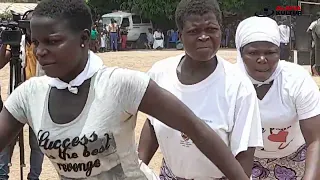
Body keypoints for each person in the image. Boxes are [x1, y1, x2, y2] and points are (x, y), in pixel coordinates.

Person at [0, 0, 252, 179]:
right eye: (36, 42)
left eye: (53, 41)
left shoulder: (120, 84)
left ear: (85, 39)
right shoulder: (29, 95)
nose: (41, 51)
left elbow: (195, 128)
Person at [138, 0, 263, 179]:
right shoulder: (160, 74)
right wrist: (138, 168)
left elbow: (244, 153)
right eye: (194, 31)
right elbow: (152, 123)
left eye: (211, 29)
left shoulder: (238, 87)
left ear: (220, 30)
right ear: (180, 36)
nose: (204, 37)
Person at [235, 16, 320, 179]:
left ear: (279, 52)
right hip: (245, 161)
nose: (262, 59)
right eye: (253, 53)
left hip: (296, 159)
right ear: (240, 53)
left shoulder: (296, 79)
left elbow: (316, 140)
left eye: (270, 52)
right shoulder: (230, 82)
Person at [0, 10, 44, 180]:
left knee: (38, 143)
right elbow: (1, 62)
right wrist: (5, 42)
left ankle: (34, 177)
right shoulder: (19, 43)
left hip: (38, 100)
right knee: (6, 140)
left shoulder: (45, 44)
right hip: (16, 99)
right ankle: (2, 175)